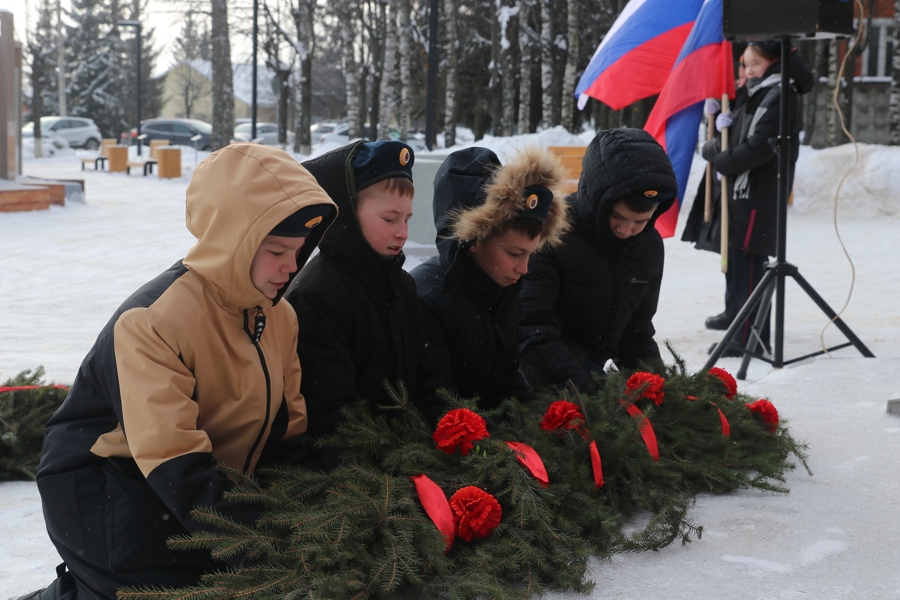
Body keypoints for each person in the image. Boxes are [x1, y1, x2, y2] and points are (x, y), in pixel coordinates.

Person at [27, 144, 338, 600]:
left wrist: (316, 508)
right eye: (276, 251)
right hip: (108, 488)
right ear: (234, 239)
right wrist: (253, 543)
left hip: (190, 493)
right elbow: (174, 460)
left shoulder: (279, 317)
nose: (291, 267)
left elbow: (285, 436)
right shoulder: (153, 319)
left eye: (298, 251)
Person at [284, 140, 445, 454]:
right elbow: (335, 416)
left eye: (407, 219)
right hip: (355, 469)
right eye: (389, 219)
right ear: (346, 214)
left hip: (410, 452)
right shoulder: (315, 297)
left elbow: (428, 379)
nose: (403, 232)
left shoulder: (402, 286)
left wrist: (447, 429)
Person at [518, 128, 678, 392]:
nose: (627, 230)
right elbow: (531, 330)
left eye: (641, 221)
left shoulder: (648, 246)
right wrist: (586, 392)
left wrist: (656, 390)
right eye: (618, 217)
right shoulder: (553, 233)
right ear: (597, 199)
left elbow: (635, 334)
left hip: (591, 373)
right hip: (539, 375)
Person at [411, 146, 570, 410]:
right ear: (473, 239)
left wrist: (538, 417)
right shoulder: (428, 300)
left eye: (530, 255)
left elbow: (505, 378)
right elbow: (437, 402)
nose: (524, 269)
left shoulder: (500, 285)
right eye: (515, 253)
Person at [698, 42, 812, 353]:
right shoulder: (757, 89)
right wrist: (719, 117)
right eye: (744, 65)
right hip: (741, 188)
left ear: (774, 62)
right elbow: (732, 135)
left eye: (754, 64)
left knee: (750, 261)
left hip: (760, 192)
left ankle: (750, 337)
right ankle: (736, 315)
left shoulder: (779, 93)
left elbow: (761, 147)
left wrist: (720, 160)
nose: (747, 71)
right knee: (735, 258)